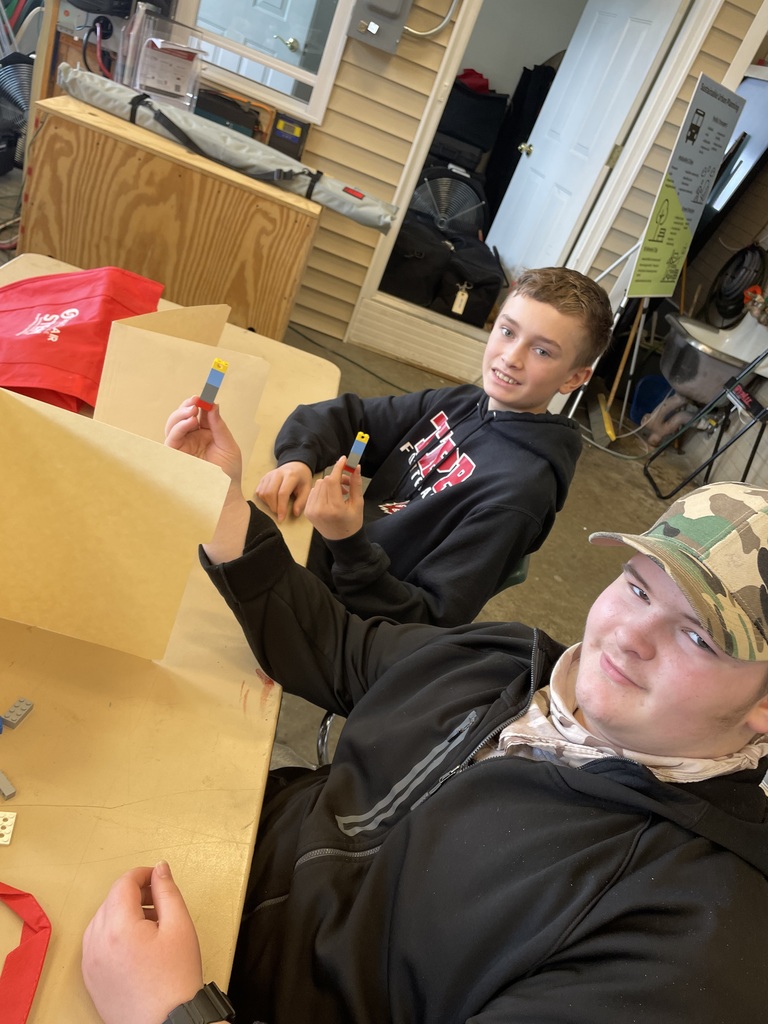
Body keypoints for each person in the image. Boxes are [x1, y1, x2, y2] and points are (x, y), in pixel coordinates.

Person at [81, 406, 768, 1024]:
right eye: (639, 587)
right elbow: (343, 649)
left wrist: (169, 1013)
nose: (627, 636)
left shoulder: (690, 936)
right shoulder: (511, 662)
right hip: (206, 858)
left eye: (697, 637)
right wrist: (222, 503)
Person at [255, 267, 614, 626]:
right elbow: (353, 419)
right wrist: (299, 460)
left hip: (343, 617)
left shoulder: (520, 493)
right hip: (326, 548)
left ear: (573, 378)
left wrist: (347, 544)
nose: (511, 357)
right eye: (507, 332)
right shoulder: (460, 402)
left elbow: (430, 618)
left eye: (541, 351)